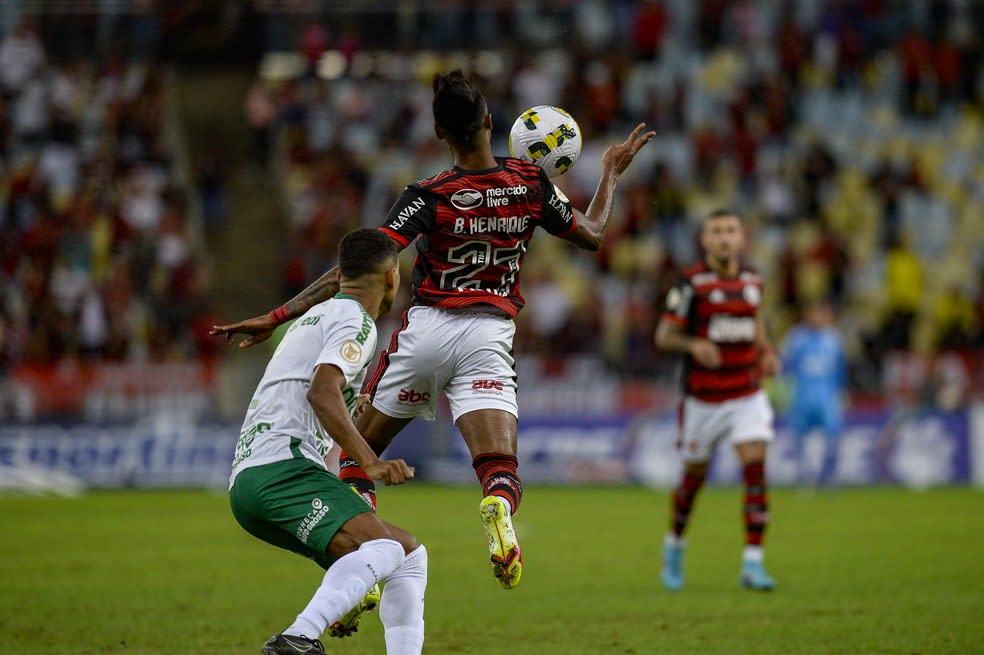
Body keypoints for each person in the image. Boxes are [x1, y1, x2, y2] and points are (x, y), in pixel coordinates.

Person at [212, 70, 656, 590]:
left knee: (358, 460)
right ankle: (495, 506)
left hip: (425, 331)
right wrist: (610, 174)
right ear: (492, 122)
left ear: (440, 133)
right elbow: (594, 234)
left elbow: (358, 268)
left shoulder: (426, 194)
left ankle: (365, 568)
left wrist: (277, 315)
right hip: (488, 335)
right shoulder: (531, 183)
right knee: (499, 467)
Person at [228, 229, 427, 655]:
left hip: (253, 480)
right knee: (384, 547)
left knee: (408, 555)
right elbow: (321, 392)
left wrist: (353, 406)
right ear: (392, 277)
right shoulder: (356, 321)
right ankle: (299, 637)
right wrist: (369, 461)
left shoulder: (315, 317)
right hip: (283, 470)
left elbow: (313, 392)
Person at [654, 209, 780, 591]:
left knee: (755, 465)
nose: (725, 238)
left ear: (741, 238)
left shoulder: (753, 280)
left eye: (731, 230)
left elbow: (754, 321)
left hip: (746, 392)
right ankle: (674, 545)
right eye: (717, 232)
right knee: (694, 478)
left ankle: (752, 563)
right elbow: (663, 335)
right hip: (703, 401)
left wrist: (767, 350)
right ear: (705, 241)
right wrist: (694, 344)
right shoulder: (691, 284)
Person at [781, 299, 847, 486]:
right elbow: (786, 367)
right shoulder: (796, 338)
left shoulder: (833, 339)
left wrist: (842, 392)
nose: (819, 317)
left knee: (833, 435)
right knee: (800, 436)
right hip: (802, 395)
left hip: (827, 396)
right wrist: (785, 392)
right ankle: (803, 476)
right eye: (815, 313)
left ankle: (828, 475)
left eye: (823, 313)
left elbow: (840, 369)